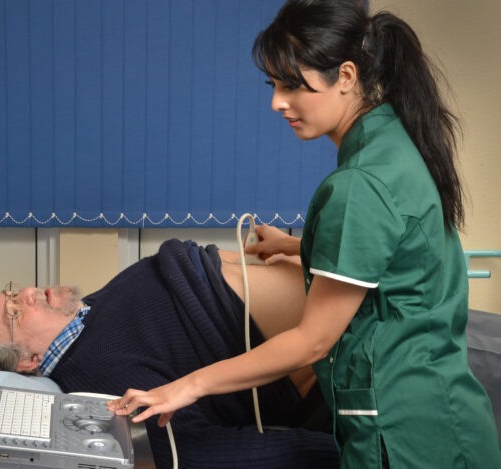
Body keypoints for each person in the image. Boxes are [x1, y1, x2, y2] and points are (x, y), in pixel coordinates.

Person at [108, 1, 501, 468]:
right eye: (273, 84)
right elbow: (398, 250)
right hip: (444, 413)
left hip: (406, 434)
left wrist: (184, 387)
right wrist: (297, 246)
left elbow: (312, 342)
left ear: (347, 76)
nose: (277, 101)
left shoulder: (360, 186)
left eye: (293, 84)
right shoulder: (397, 144)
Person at [0, 239, 339, 468]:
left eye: (10, 293)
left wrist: (295, 248)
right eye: (14, 314)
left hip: (332, 280)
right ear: (28, 361)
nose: (24, 294)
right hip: (345, 334)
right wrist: (349, 455)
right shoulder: (99, 382)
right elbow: (192, 456)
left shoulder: (86, 315)